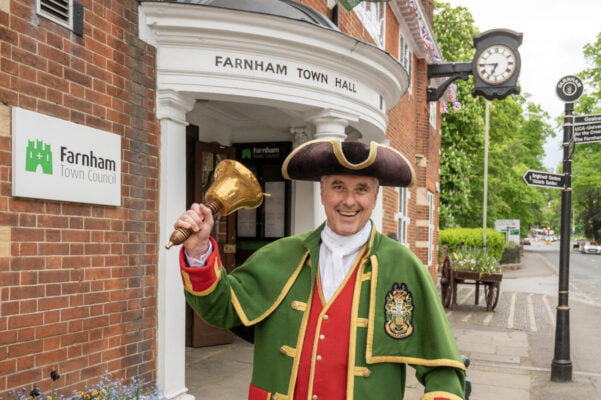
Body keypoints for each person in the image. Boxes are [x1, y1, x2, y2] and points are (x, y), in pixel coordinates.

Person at [175, 139, 465, 400]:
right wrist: (199, 251)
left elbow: (443, 369)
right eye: (338, 187)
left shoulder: (403, 266)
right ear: (323, 193)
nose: (349, 201)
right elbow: (220, 308)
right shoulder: (281, 254)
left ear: (375, 198)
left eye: (361, 189)